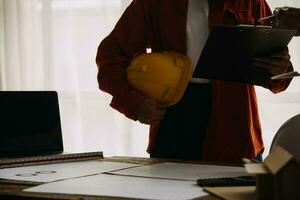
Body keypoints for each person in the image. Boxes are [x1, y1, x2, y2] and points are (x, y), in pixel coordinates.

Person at [96, 0, 293, 162]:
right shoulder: (153, 4)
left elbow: (278, 77)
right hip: (174, 119)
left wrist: (280, 69)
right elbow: (110, 58)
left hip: (236, 124)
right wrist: (135, 104)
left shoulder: (250, 2)